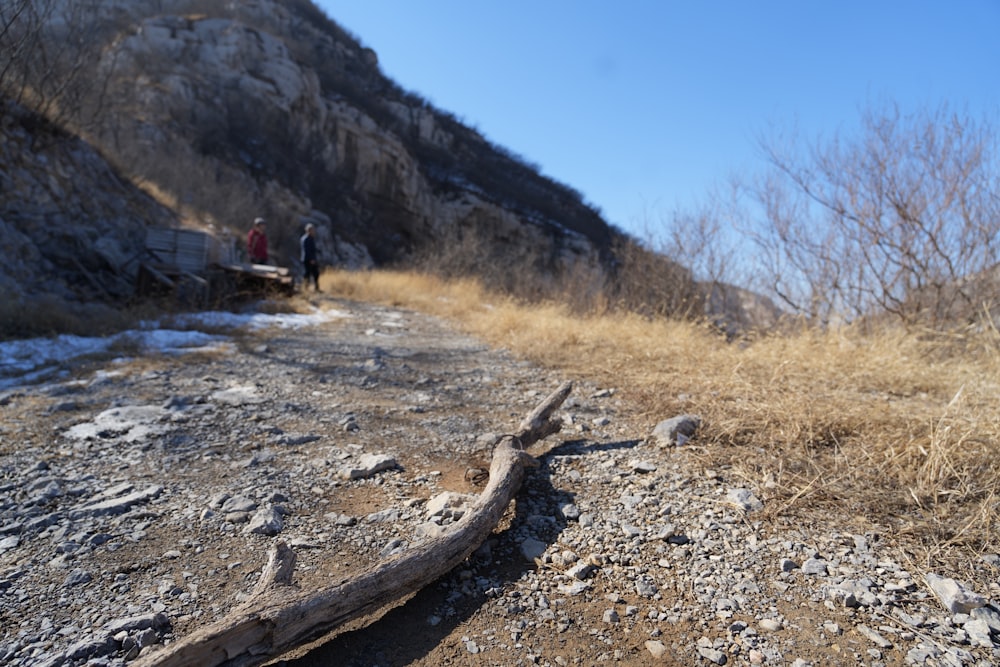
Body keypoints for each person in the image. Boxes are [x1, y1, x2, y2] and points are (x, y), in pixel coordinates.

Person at [300, 223, 320, 291]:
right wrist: (311, 259)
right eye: (311, 230)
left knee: (316, 273)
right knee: (307, 274)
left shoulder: (311, 238)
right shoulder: (305, 239)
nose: (313, 231)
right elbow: (306, 250)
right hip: (307, 259)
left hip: (312, 258)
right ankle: (305, 288)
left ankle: (316, 288)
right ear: (308, 230)